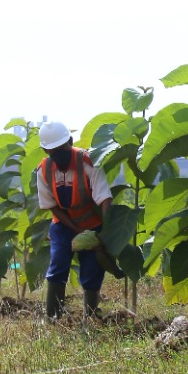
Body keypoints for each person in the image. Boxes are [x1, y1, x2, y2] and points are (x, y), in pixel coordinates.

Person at [37, 120, 114, 320]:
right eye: (53, 151)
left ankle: (90, 317)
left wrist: (105, 233)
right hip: (63, 225)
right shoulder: (44, 170)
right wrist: (73, 228)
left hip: (93, 224)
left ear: (70, 141)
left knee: (91, 269)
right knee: (58, 264)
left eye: (62, 148)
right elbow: (51, 205)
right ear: (46, 151)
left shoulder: (89, 162)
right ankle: (53, 317)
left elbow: (104, 198)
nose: (58, 155)